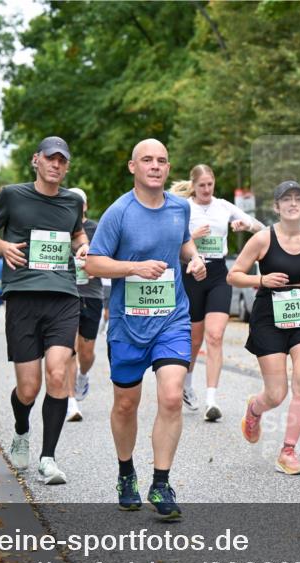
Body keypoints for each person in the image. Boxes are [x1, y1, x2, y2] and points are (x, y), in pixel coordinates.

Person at [85, 138, 207, 520]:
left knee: (171, 397)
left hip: (171, 318)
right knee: (126, 403)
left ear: (168, 169)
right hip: (128, 323)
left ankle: (161, 481)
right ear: (132, 167)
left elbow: (183, 243)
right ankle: (126, 473)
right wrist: (133, 268)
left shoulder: (179, 207)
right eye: (147, 160)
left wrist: (196, 259)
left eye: (162, 161)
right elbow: (93, 264)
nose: (155, 166)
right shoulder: (118, 213)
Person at [0, 136, 87, 486]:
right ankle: (21, 430)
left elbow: (77, 236)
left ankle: (48, 458)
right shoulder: (12, 194)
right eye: (50, 159)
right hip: (23, 297)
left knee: (58, 374)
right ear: (36, 160)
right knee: (28, 388)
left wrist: (84, 248)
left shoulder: (72, 202)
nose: (56, 165)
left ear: (67, 166)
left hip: (63, 297)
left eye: (62, 160)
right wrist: (3, 246)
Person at [227, 180, 300, 475]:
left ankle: (288, 451)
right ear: (276, 207)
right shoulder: (262, 239)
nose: (293, 203)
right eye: (286, 199)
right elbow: (233, 276)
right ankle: (255, 409)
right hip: (268, 318)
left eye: (298, 198)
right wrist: (261, 280)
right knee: (276, 393)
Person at [169, 165, 264, 422]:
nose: (207, 190)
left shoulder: (223, 206)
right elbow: (169, 242)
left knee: (215, 335)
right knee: (194, 340)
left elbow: (261, 228)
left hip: (218, 274)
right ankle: (187, 383)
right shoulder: (183, 207)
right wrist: (191, 236)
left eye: (210, 184)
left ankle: (211, 399)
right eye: (202, 185)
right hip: (191, 273)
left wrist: (246, 225)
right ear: (193, 185)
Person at [64, 187, 102, 423]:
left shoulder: (95, 229)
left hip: (92, 295)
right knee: (68, 349)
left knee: (86, 354)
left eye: (80, 203)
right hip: (65, 295)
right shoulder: (60, 228)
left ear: (85, 206)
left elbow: (107, 258)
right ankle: (71, 402)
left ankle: (83, 375)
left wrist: (94, 268)